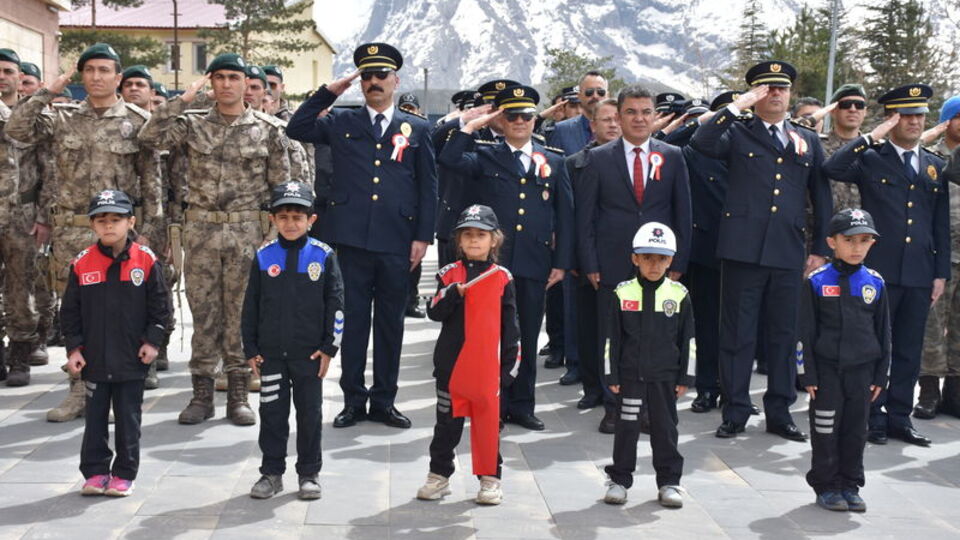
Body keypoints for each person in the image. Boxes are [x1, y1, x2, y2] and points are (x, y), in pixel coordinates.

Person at [7, 43, 163, 421]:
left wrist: (149, 234)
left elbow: (152, 181)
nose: (96, 77)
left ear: (118, 77)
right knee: (77, 314)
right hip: (73, 232)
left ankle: (120, 391)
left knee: (125, 312)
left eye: (105, 70)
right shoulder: (61, 117)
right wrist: (48, 91)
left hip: (123, 235)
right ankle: (79, 392)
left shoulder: (139, 121)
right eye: (89, 70)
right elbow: (16, 127)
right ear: (80, 76)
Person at [285, 43, 437, 429]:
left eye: (380, 75)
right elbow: (297, 127)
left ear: (395, 81)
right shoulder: (341, 122)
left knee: (390, 323)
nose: (373, 82)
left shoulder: (417, 128)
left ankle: (384, 401)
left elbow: (427, 187)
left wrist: (422, 237)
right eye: (366, 76)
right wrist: (330, 92)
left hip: (396, 241)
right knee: (351, 323)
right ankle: (353, 400)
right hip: (350, 240)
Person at [138, 52, 292, 426]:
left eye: (233, 78)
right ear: (211, 82)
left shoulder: (269, 130)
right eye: (219, 77)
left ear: (245, 84)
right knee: (203, 314)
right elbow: (149, 136)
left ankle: (238, 392)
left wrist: (272, 238)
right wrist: (184, 99)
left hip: (246, 233)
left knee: (241, 314)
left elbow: (281, 189)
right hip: (203, 231)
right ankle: (201, 393)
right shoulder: (191, 125)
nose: (226, 84)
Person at [690, 60, 832, 441]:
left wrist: (819, 249)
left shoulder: (806, 139)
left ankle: (780, 412)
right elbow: (700, 143)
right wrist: (736, 106)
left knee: (783, 336)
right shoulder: (736, 131)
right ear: (754, 94)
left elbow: (821, 195)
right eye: (767, 88)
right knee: (738, 334)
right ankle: (735, 409)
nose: (776, 94)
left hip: (788, 251)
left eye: (782, 88)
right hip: (742, 250)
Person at [438, 84, 573, 431]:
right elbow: (449, 159)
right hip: (490, 267)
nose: (519, 121)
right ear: (500, 119)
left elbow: (565, 214)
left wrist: (561, 261)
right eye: (510, 115)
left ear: (534, 120)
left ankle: (523, 405)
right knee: (488, 339)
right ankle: (491, 405)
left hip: (533, 262)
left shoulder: (553, 159)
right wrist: (472, 126)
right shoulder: (484, 154)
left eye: (526, 115)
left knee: (527, 336)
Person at [823, 84, 947, 447]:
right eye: (905, 115)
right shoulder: (871, 157)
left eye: (919, 115)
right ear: (891, 119)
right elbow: (833, 166)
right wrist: (869, 136)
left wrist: (941, 273)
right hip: (879, 270)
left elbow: (938, 224)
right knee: (875, 348)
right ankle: (872, 417)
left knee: (909, 349)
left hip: (920, 272)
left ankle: (899, 418)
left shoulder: (933, 165)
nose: (913, 122)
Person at [576, 84, 692, 432]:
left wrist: (679, 263)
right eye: (631, 112)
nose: (639, 119)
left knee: (654, 337)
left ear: (655, 116)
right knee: (612, 336)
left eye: (646, 112)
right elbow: (587, 218)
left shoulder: (672, 156)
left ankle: (648, 408)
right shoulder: (598, 158)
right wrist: (590, 263)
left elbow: (682, 212)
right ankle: (614, 407)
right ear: (620, 116)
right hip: (611, 262)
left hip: (658, 265)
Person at [62, 189, 169, 497]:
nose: (109, 226)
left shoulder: (146, 261)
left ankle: (124, 473)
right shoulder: (82, 263)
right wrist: (74, 347)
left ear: (130, 222)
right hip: (95, 359)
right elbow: (69, 311)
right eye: (101, 220)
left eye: (116, 220)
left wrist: (153, 341)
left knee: (128, 419)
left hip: (132, 358)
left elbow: (160, 307)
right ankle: (95, 472)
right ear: (93, 225)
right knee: (94, 420)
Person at [242, 181, 344, 500]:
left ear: (311, 220)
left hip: (309, 356)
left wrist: (329, 348)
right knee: (272, 415)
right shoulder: (263, 257)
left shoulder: (323, 256)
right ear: (273, 219)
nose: (290, 223)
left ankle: (309, 473)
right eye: (283, 216)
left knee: (309, 415)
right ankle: (271, 473)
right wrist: (251, 349)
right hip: (270, 356)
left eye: (298, 217)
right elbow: (250, 306)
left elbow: (337, 305)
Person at [416, 204, 520, 506]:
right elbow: (433, 311)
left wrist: (509, 368)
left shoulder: (502, 277)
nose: (474, 241)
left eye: (481, 235)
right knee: (446, 424)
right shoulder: (449, 274)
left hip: (487, 369)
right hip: (451, 366)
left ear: (494, 240)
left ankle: (490, 479)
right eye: (468, 235)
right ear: (458, 241)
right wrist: (452, 294)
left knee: (487, 425)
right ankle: (439, 476)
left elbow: (511, 328)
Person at [799, 208, 890, 512]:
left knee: (855, 430)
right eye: (849, 240)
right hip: (827, 372)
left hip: (862, 373)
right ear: (831, 242)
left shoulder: (875, 282)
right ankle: (826, 486)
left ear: (872, 244)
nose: (856, 247)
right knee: (825, 429)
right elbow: (804, 333)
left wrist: (880, 376)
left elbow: (884, 333)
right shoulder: (816, 281)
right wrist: (807, 374)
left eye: (864, 240)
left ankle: (850, 484)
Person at [602, 222, 694, 508]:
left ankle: (669, 482)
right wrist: (611, 373)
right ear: (635, 259)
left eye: (662, 259)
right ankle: (619, 480)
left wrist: (686, 377)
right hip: (630, 376)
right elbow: (611, 339)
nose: (654, 265)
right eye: (648, 258)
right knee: (626, 428)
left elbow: (688, 339)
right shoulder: (623, 293)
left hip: (665, 378)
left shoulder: (678, 295)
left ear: (670, 260)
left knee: (665, 429)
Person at [661, 91, 738, 414]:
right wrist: (699, 120)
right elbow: (665, 142)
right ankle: (707, 386)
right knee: (704, 324)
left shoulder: (744, 149)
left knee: (736, 327)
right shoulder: (693, 150)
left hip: (737, 248)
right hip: (702, 251)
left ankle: (734, 390)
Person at [568, 97, 620, 424]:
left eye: (617, 119)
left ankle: (618, 387)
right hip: (586, 259)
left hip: (622, 258)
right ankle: (592, 387)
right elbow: (570, 216)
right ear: (593, 126)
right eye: (606, 120)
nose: (613, 125)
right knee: (588, 328)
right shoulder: (576, 163)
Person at [915, 96, 960, 420]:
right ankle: (928, 393)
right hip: (942, 252)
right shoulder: (933, 155)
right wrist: (930, 133)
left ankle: (954, 394)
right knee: (931, 325)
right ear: (947, 122)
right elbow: (902, 147)